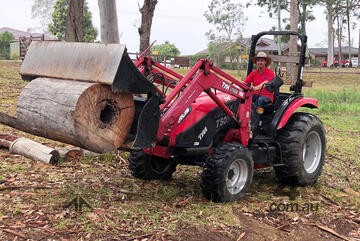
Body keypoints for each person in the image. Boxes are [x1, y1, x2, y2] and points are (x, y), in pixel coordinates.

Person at [244, 52, 275, 131]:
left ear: (265, 62)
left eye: (261, 60)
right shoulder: (254, 73)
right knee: (245, 97)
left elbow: (265, 83)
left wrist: (255, 88)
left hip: (267, 96)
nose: (259, 62)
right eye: (258, 60)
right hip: (256, 94)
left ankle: (256, 123)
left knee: (260, 101)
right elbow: (245, 83)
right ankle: (244, 119)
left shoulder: (270, 73)